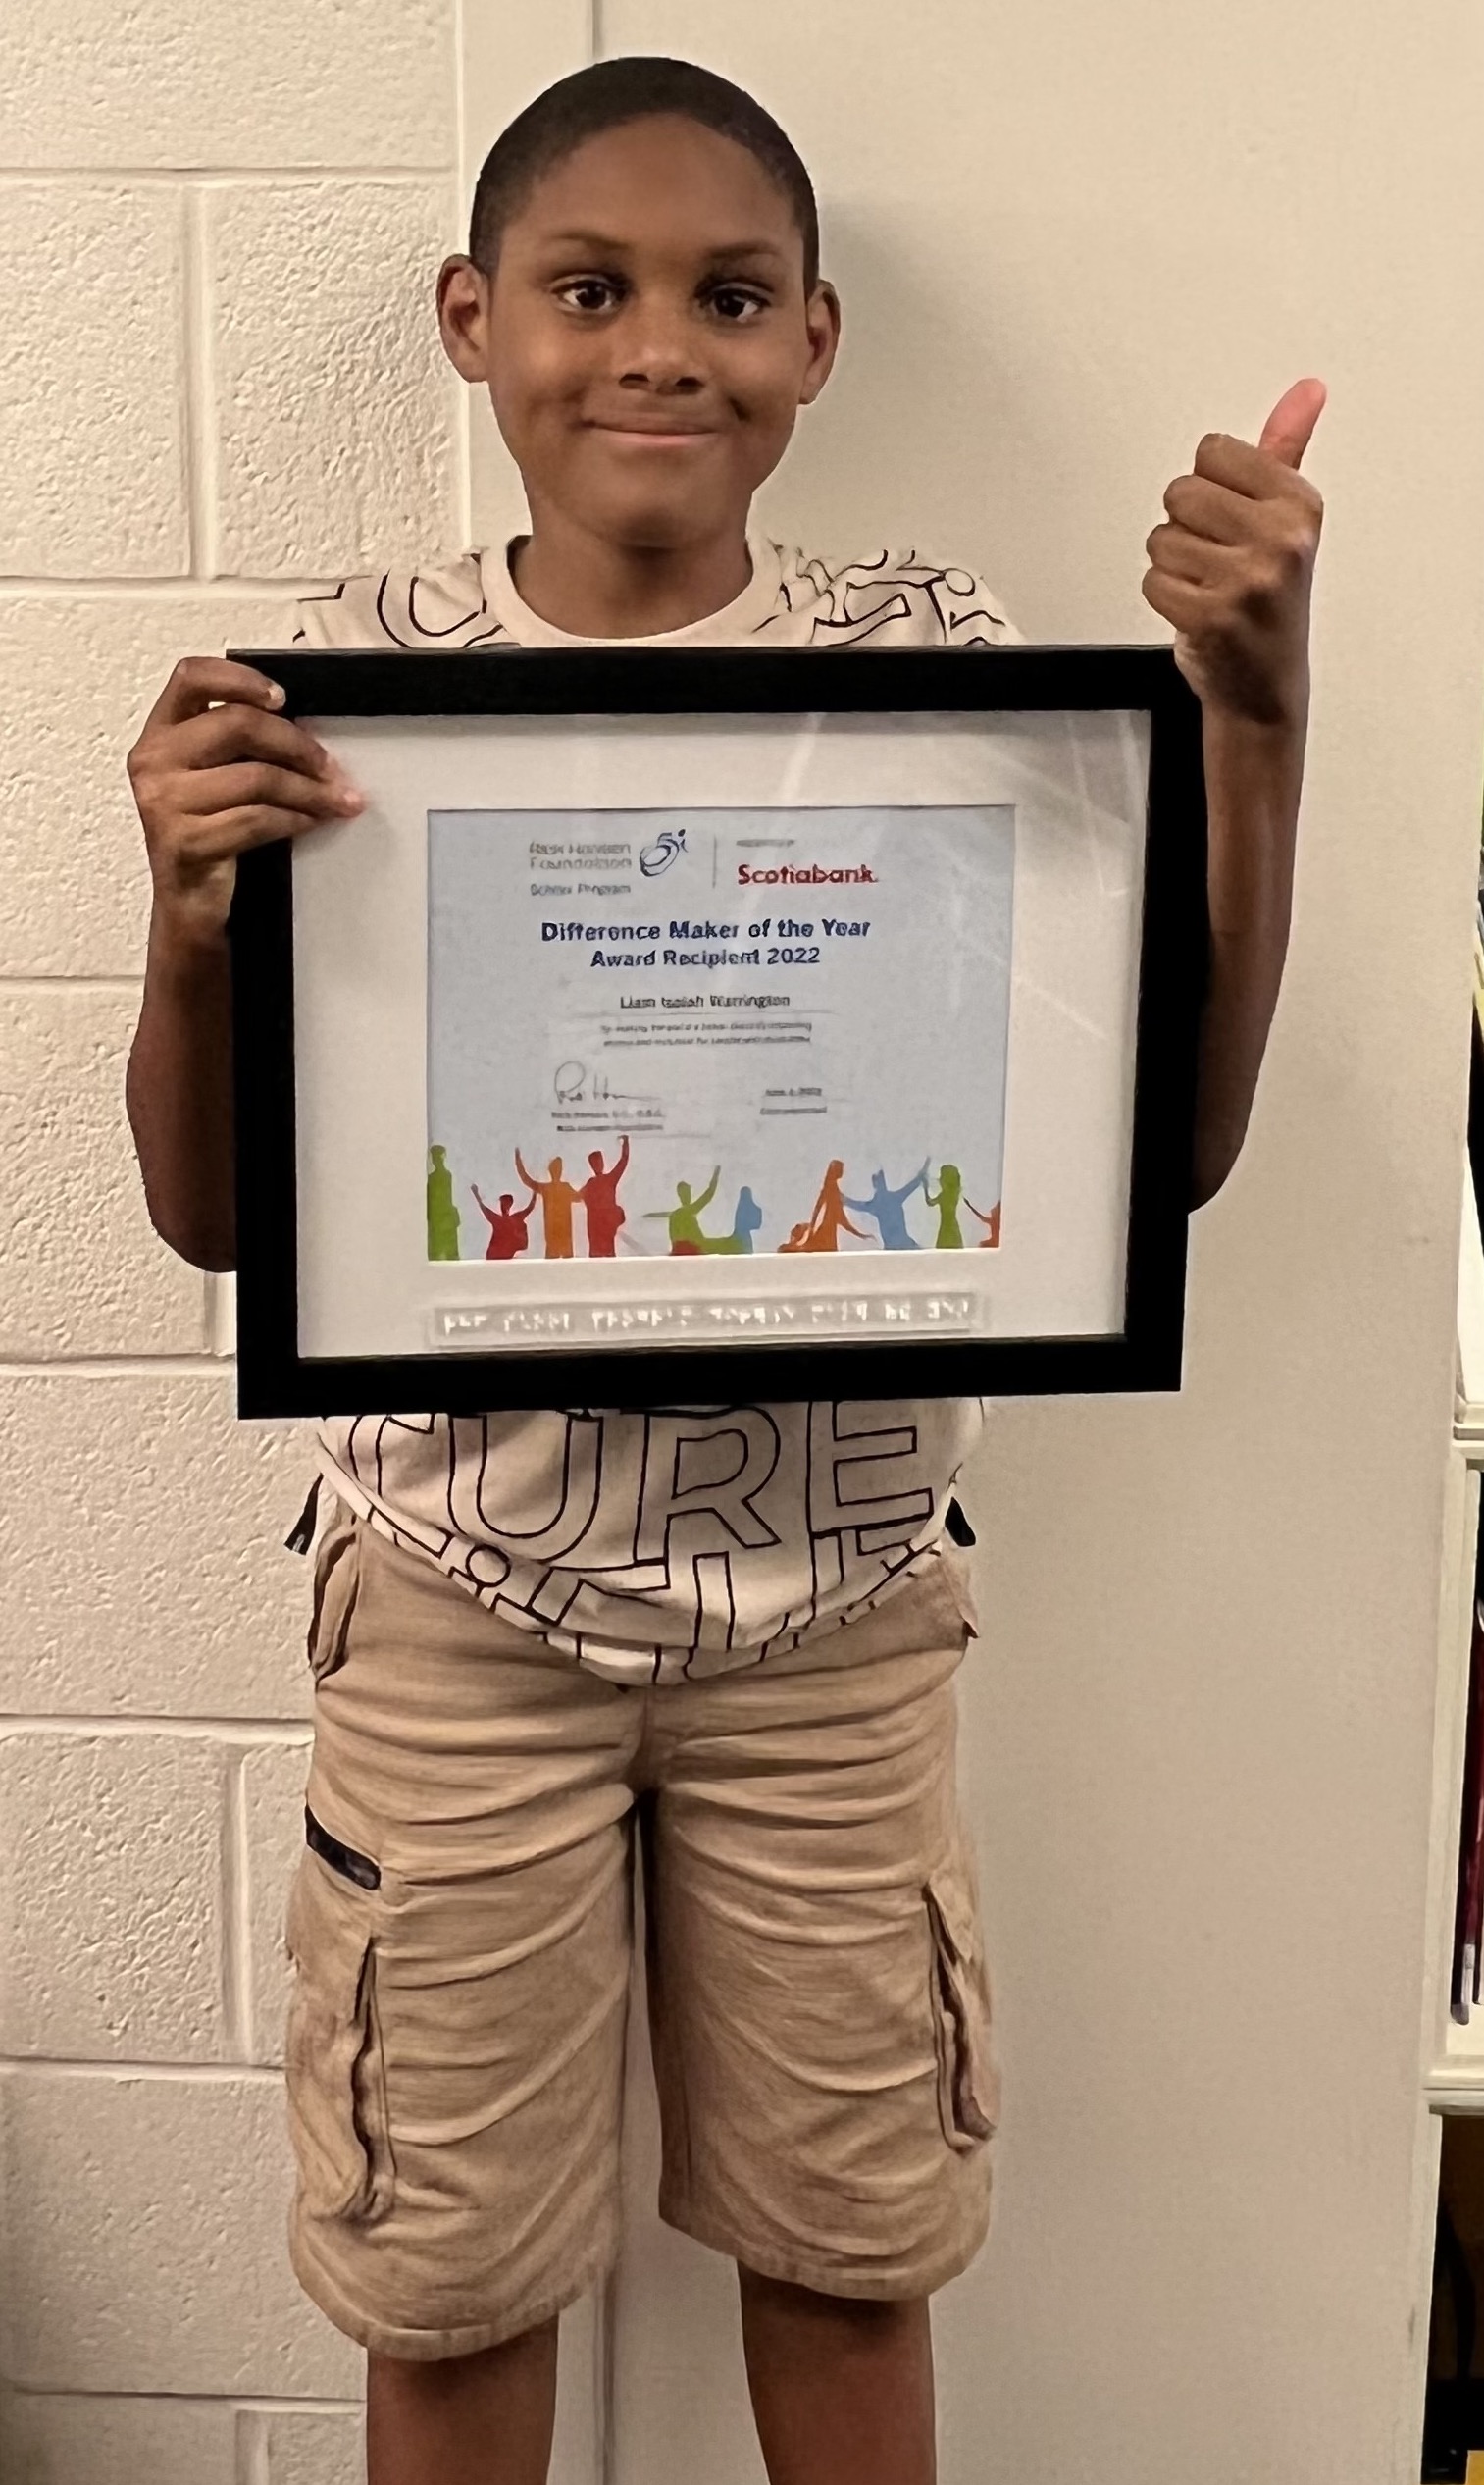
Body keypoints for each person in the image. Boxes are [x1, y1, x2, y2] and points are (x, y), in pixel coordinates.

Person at [122, 53, 1324, 2485]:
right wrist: (181, 929)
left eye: (728, 295)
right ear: (475, 322)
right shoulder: (338, 687)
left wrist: (1254, 715)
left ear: (817, 345)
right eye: (590, 287)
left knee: (852, 2259)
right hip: (460, 1607)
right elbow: (212, 1218)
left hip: (840, 1615)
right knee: (447, 2298)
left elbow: (1163, 1153)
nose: (657, 344)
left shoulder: (941, 657)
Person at [843, 1160, 931, 1251]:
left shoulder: (882, 1202)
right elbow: (910, 1187)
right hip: (899, 1245)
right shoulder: (887, 1200)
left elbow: (859, 1205)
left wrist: (845, 1200)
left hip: (898, 1245)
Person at [513, 1146, 580, 1258]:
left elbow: (581, 1197)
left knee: (560, 1263)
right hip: (556, 1234)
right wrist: (518, 1162)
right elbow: (527, 1180)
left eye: (558, 1169)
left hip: (560, 1234)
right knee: (558, 1263)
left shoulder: (558, 1188)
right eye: (557, 1169)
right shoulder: (554, 1189)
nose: (558, 1172)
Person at [578, 1135, 630, 1255]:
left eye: (599, 1162)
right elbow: (623, 1162)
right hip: (599, 1229)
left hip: (600, 1229)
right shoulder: (598, 1182)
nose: (599, 1165)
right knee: (604, 1256)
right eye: (597, 1163)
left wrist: (625, 1144)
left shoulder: (603, 1181)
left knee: (602, 1256)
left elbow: (623, 1162)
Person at [471, 1182, 537, 1262]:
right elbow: (529, 1208)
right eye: (503, 1203)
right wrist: (534, 1193)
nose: (503, 1206)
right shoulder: (509, 1219)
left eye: (504, 1203)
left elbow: (529, 1208)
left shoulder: (503, 1219)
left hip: (497, 1256)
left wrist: (476, 1194)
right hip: (496, 1256)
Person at [426, 1144, 461, 1260]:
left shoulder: (443, 1176)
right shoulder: (435, 1177)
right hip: (439, 1217)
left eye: (437, 1157)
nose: (435, 1160)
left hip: (442, 1217)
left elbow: (445, 1197)